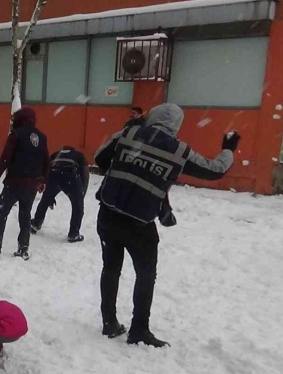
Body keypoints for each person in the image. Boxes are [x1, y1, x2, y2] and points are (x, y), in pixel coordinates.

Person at [94, 103, 239, 347]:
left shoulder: (128, 134)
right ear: (176, 125)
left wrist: (127, 166)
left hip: (109, 215)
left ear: (152, 117)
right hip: (140, 225)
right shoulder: (179, 151)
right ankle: (139, 330)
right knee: (146, 274)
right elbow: (214, 170)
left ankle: (109, 322)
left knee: (111, 268)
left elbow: (100, 157)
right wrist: (228, 149)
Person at [0, 107, 49, 260]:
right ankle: (23, 249)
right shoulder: (41, 137)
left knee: (1, 213)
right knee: (25, 216)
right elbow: (46, 160)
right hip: (31, 184)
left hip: (14, 182)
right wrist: (43, 180)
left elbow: (6, 156)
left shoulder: (16, 134)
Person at [31, 146, 90, 242]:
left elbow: (46, 169)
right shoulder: (79, 155)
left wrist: (49, 194)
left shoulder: (55, 154)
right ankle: (73, 234)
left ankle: (36, 224)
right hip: (70, 175)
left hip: (54, 174)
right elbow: (85, 173)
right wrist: (81, 194)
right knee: (77, 207)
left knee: (45, 200)